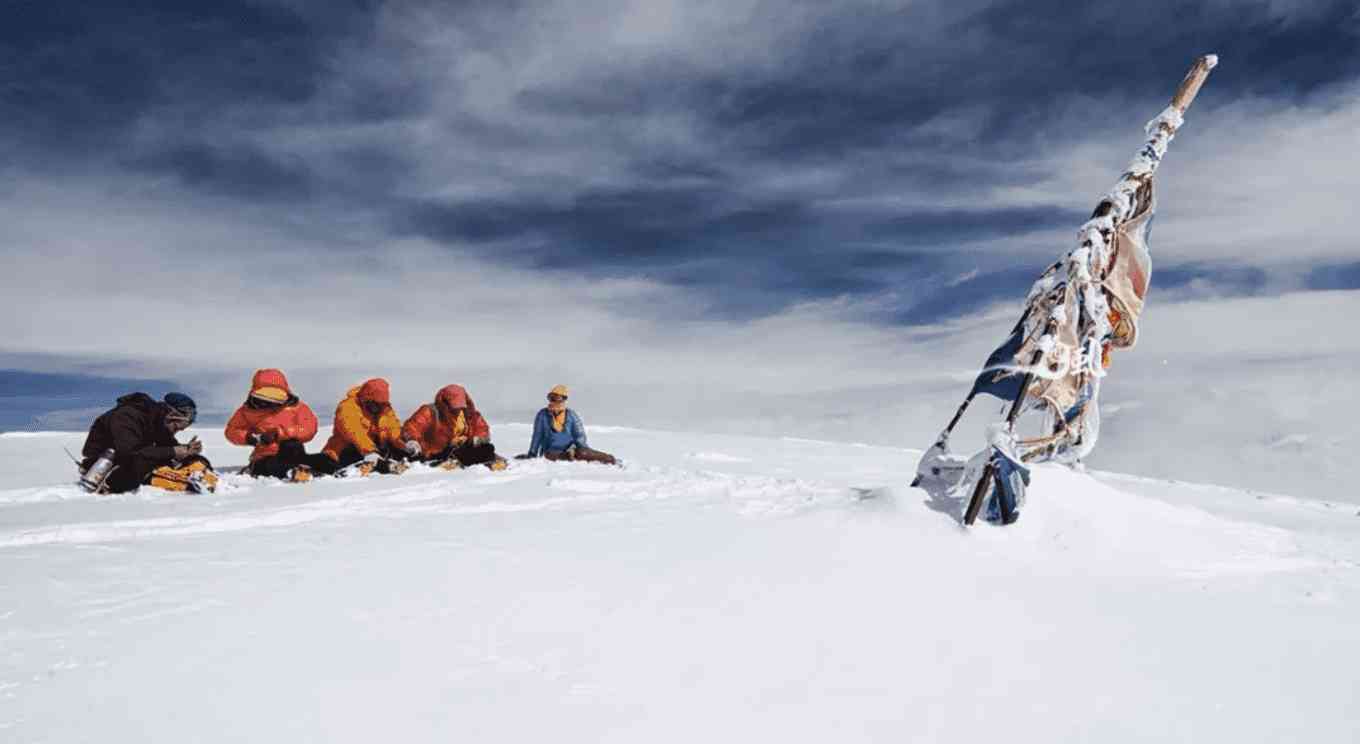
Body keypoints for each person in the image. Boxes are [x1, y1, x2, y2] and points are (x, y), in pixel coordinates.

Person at [79, 392, 206, 493]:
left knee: (192, 458)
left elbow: (168, 446)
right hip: (107, 466)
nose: (181, 429)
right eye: (178, 426)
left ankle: (198, 476)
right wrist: (174, 451)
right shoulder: (127, 416)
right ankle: (184, 482)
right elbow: (128, 451)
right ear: (171, 415)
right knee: (144, 462)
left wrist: (187, 450)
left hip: (132, 459)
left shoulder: (158, 421)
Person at [224, 368, 323, 481]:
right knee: (267, 465)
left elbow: (309, 428)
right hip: (264, 455)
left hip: (293, 452)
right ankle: (295, 471)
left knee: (294, 446)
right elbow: (232, 430)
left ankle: (303, 470)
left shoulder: (297, 407)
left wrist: (279, 433)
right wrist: (250, 438)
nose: (270, 401)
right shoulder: (247, 411)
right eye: (265, 396)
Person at [316, 378, 408, 475]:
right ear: (366, 399)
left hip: (371, 450)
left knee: (398, 448)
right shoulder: (347, 407)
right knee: (355, 451)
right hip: (343, 452)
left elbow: (393, 429)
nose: (379, 408)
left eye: (382, 404)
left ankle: (386, 464)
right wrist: (370, 451)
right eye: (376, 404)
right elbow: (355, 433)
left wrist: (405, 445)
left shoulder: (384, 409)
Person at [401, 384, 504, 469]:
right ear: (445, 402)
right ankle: (446, 463)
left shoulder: (469, 414)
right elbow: (411, 427)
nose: (458, 409)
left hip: (461, 450)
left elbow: (481, 428)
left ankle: (486, 462)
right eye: (455, 406)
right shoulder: (430, 411)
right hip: (437, 451)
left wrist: (475, 439)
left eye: (460, 406)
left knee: (487, 448)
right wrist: (413, 441)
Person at [525, 385, 616, 464]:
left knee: (582, 453)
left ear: (563, 399)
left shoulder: (571, 415)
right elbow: (537, 435)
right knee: (550, 455)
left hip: (570, 449)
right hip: (551, 452)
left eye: (557, 398)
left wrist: (583, 449)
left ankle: (608, 459)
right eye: (551, 398)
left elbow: (579, 435)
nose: (553, 401)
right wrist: (532, 453)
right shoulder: (542, 415)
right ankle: (568, 456)